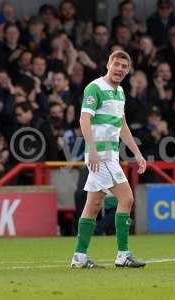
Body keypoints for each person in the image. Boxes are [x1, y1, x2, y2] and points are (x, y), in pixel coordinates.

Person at [70, 50, 147, 268]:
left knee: (93, 204)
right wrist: (92, 149)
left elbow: (122, 125)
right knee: (127, 198)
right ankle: (123, 255)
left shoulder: (120, 92)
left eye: (125, 66)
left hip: (110, 154)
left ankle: (79, 257)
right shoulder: (95, 87)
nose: (120, 69)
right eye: (117, 64)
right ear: (108, 65)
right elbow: (84, 119)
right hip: (100, 155)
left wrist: (137, 152)